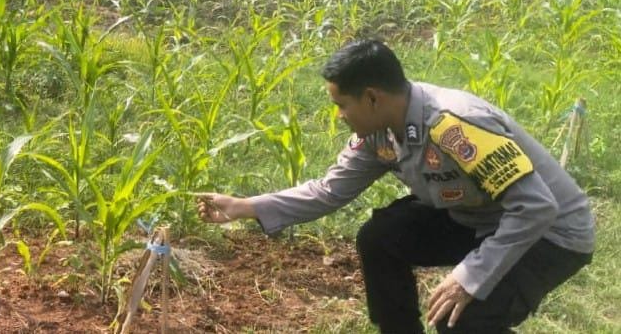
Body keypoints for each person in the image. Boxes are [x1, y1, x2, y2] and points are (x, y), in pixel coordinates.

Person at [197, 40, 594, 334]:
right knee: (381, 237)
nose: (339, 116)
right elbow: (328, 191)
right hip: (479, 217)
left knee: (460, 318)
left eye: (341, 105)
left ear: (372, 97)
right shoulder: (380, 132)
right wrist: (243, 207)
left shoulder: (454, 124)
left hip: (551, 233)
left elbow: (536, 207)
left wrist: (469, 276)